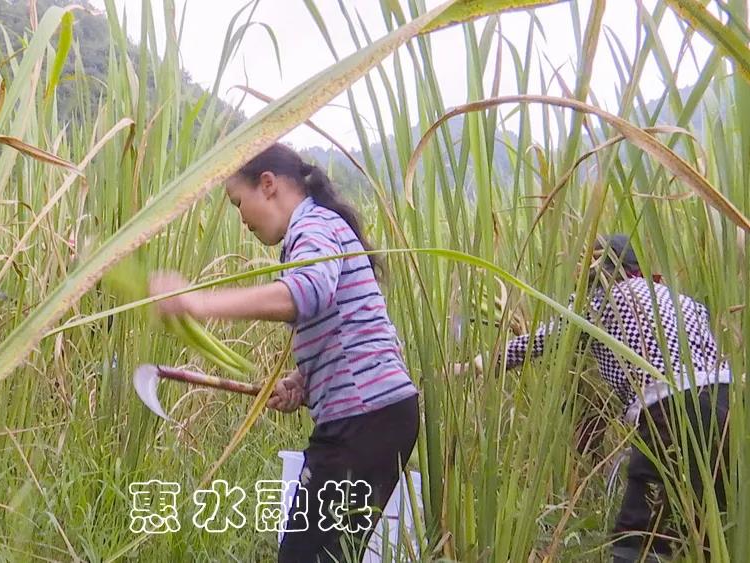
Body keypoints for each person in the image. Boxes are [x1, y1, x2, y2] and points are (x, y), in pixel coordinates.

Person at [149, 143, 419, 562]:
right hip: (373, 417)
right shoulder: (318, 229)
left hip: (364, 420)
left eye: (239, 203)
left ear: (268, 185)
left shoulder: (313, 227)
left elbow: (306, 294)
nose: (242, 219)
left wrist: (196, 303)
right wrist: (305, 383)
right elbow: (356, 334)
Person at [455, 234, 732, 562]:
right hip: (728, 404)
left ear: (599, 269)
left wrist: (471, 366)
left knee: (638, 536)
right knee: (707, 523)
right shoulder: (679, 298)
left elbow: (542, 341)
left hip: (671, 409)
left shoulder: (605, 298)